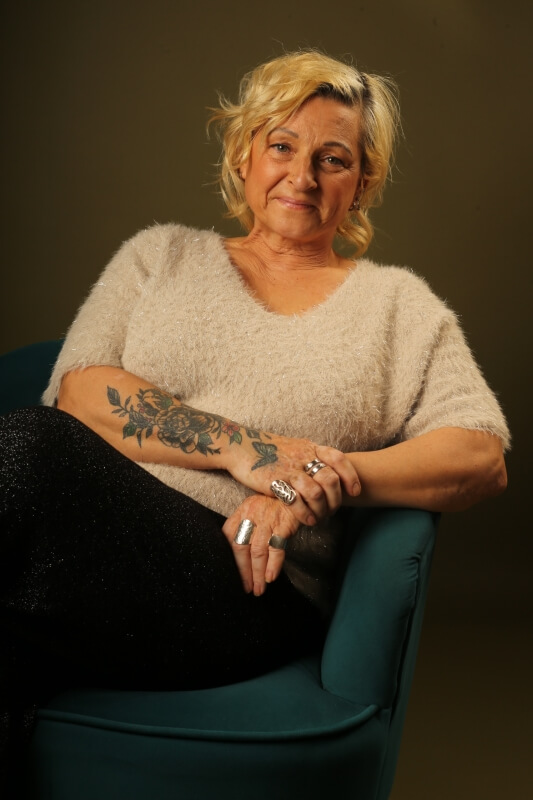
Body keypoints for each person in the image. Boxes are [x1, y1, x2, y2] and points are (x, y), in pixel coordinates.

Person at [0, 49, 509, 787]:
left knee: (28, 448)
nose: (302, 177)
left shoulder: (399, 307)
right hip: (85, 553)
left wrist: (313, 482)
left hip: (246, 586)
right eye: (281, 146)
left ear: (363, 182)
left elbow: (479, 455)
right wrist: (248, 449)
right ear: (243, 156)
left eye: (332, 159)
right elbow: (80, 390)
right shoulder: (157, 256)